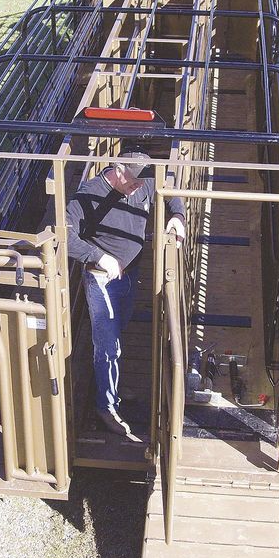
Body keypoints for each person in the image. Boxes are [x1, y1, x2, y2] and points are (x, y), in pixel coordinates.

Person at [65, 150, 185, 437]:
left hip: (130, 275)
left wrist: (178, 215)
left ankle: (111, 390)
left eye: (141, 184)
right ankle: (105, 407)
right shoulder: (89, 195)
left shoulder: (141, 183)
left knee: (118, 334)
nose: (137, 189)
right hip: (102, 280)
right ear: (118, 171)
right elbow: (64, 235)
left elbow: (169, 193)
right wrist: (95, 256)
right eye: (132, 182)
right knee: (108, 346)